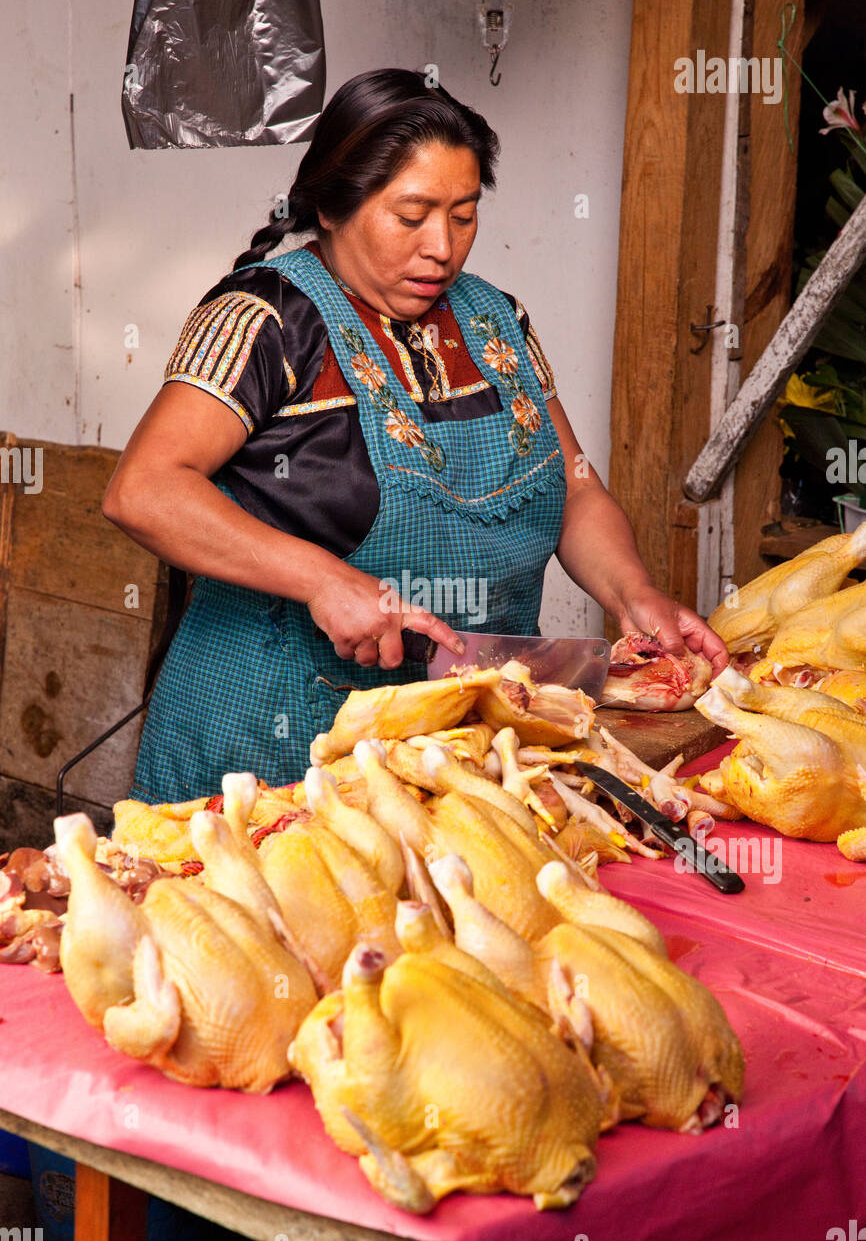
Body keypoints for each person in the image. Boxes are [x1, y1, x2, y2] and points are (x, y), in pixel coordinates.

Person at [104, 68, 727, 803]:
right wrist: (322, 580)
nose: (442, 248)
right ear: (332, 207)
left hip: (460, 744)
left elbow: (575, 488)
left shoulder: (496, 321)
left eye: (464, 215)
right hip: (275, 747)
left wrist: (633, 593)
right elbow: (143, 491)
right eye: (412, 216)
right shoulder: (264, 321)